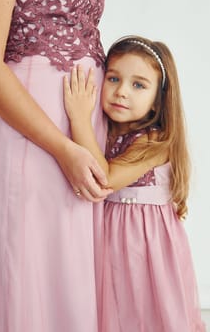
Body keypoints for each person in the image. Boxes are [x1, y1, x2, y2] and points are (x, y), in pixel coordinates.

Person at [0, 0, 112, 331]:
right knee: (29, 267)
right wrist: (63, 148)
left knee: (72, 268)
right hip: (30, 134)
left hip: (81, 127)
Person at [63, 35, 206, 332]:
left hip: (146, 243)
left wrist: (78, 117)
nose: (121, 92)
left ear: (158, 99)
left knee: (147, 308)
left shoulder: (155, 142)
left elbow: (104, 179)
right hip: (108, 237)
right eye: (113, 79)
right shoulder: (103, 133)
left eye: (138, 84)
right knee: (116, 310)